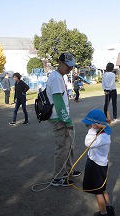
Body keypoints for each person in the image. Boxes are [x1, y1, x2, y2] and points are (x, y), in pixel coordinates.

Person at [46, 52, 81, 187]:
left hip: (62, 117)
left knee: (69, 145)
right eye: (68, 66)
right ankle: (57, 177)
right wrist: (67, 121)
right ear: (60, 63)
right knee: (62, 148)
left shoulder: (60, 76)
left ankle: (68, 170)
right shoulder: (55, 78)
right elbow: (58, 101)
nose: (70, 69)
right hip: (58, 118)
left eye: (72, 66)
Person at [82, 109, 115, 216]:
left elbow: (88, 143)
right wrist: (100, 125)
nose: (88, 127)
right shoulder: (104, 133)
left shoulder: (102, 137)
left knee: (98, 192)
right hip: (100, 164)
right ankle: (109, 208)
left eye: (89, 125)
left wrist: (92, 129)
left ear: (95, 124)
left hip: (96, 166)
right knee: (103, 189)